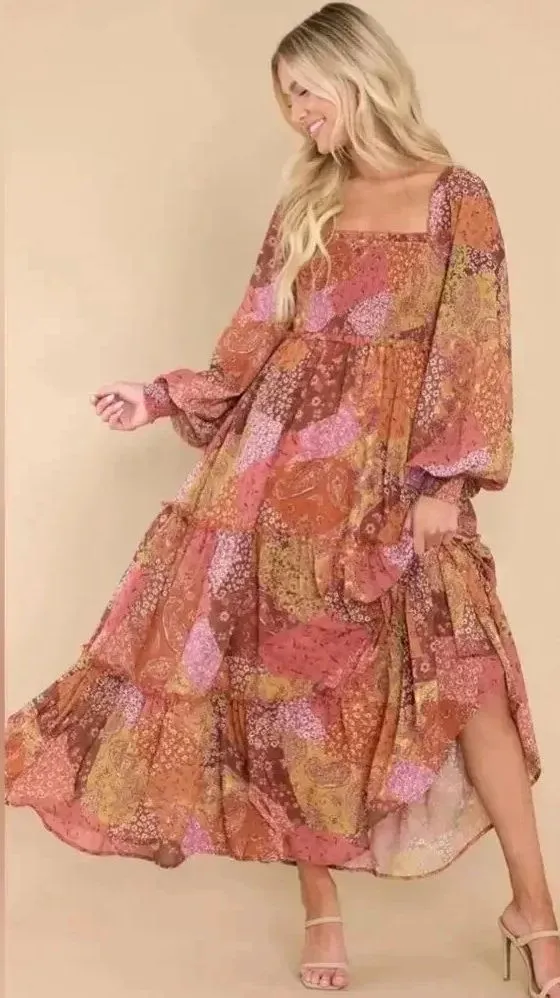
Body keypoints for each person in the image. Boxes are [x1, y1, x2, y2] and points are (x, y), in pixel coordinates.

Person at [5, 2, 558, 994]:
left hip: (394, 478)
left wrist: (447, 479)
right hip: (276, 476)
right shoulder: (309, 199)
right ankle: (320, 907)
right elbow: (257, 333)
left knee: (465, 677)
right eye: (286, 96)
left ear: (360, 76)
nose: (298, 111)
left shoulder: (453, 195)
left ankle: (534, 908)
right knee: (290, 693)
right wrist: (160, 395)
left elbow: (475, 341)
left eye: (308, 89)